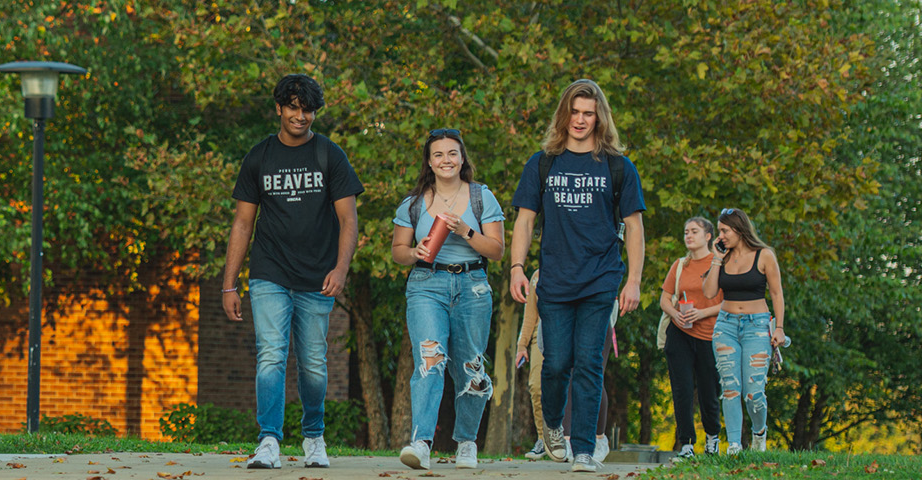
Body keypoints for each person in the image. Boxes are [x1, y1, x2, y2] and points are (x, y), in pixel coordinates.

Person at [220, 73, 363, 470]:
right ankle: (268, 441)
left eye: (309, 109)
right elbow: (243, 224)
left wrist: (341, 268)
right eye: (294, 107)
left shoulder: (330, 155)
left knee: (314, 362)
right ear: (279, 108)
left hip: (318, 275)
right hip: (269, 271)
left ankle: (314, 437)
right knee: (271, 354)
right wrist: (228, 284)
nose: (301, 116)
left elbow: (349, 220)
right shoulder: (260, 157)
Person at [507, 79, 646, 473]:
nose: (581, 120)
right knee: (555, 364)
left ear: (599, 117)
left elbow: (634, 227)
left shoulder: (618, 166)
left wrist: (633, 280)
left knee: (589, 363)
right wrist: (517, 268)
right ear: (564, 115)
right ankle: (552, 424)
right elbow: (525, 220)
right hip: (554, 280)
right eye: (575, 112)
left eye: (589, 113)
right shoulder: (543, 163)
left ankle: (583, 449)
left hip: (601, 279)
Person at [387, 129, 504, 469]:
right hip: (427, 283)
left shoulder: (482, 197)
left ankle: (466, 442)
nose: (446, 160)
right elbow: (398, 252)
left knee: (471, 365)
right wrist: (415, 252)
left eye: (452, 153)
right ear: (429, 161)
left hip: (472, 284)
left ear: (462, 158)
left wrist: (465, 231)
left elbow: (496, 250)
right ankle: (421, 442)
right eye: (438, 155)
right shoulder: (413, 204)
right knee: (429, 359)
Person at [702, 208, 788, 454]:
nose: (720, 236)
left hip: (757, 327)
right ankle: (735, 446)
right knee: (730, 388)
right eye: (720, 231)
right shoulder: (722, 257)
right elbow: (708, 293)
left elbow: (776, 293)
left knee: (754, 392)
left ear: (739, 230)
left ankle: (759, 432)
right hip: (725, 326)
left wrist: (779, 328)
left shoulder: (764, 255)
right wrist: (716, 259)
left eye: (724, 231)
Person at [659, 217, 725, 460]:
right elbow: (664, 299)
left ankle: (712, 440)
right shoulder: (679, 265)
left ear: (708, 236)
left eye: (694, 231)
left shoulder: (720, 262)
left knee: (709, 390)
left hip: (711, 335)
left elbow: (730, 301)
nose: (688, 236)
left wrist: (703, 312)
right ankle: (686, 444)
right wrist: (675, 314)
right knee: (682, 390)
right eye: (686, 231)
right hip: (680, 334)